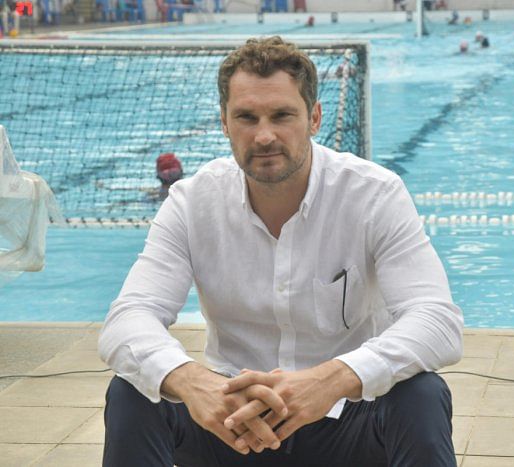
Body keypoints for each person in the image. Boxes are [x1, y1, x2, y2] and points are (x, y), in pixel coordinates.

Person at [99, 36, 463, 467]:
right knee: (133, 391)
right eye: (247, 117)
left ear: (314, 118)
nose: (264, 135)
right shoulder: (192, 202)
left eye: (282, 115)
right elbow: (128, 318)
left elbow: (437, 320)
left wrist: (332, 378)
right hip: (230, 423)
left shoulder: (373, 195)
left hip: (343, 422)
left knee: (421, 394)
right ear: (224, 123)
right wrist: (192, 380)